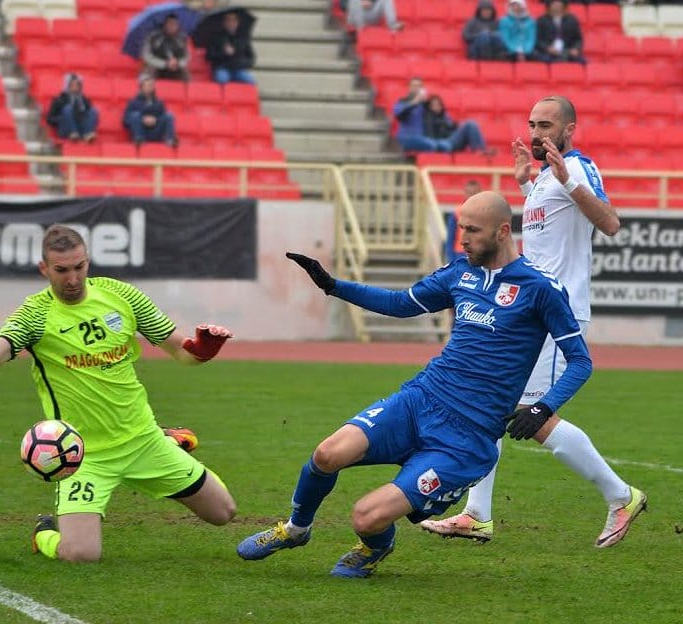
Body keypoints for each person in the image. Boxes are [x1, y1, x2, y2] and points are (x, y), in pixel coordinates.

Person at [236, 191, 593, 578]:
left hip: (466, 439)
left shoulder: (540, 288)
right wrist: (334, 286)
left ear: (503, 231)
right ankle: (295, 529)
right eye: (461, 228)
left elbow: (580, 361)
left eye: (472, 230)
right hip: (421, 401)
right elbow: (400, 303)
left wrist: (543, 406)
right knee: (327, 454)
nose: (463, 238)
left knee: (365, 517)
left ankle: (376, 545)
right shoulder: (459, 273)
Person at [421, 96, 647, 548]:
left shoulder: (577, 168)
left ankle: (620, 495)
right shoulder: (544, 177)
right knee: (491, 404)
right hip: (525, 310)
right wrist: (529, 184)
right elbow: (551, 234)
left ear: (569, 131)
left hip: (553, 313)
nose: (537, 132)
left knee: (533, 417)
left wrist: (567, 180)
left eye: (547, 125)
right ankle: (477, 514)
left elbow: (610, 223)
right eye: (532, 124)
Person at [0, 224, 236, 562]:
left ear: (88, 261)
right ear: (44, 269)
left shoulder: (122, 296)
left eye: (79, 267)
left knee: (224, 512)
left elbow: (183, 353)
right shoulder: (35, 314)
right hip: (83, 456)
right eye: (61, 270)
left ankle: (169, 442)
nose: (72, 278)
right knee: (80, 554)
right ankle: (43, 533)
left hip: (143, 440)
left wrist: (206, 347)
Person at [393, 83, 492, 155]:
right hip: (437, 142)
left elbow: (451, 127)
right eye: (434, 104)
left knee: (471, 124)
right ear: (428, 106)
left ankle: (480, 151)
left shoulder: (445, 116)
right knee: (442, 145)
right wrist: (417, 100)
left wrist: (457, 126)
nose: (437, 106)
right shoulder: (424, 113)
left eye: (439, 104)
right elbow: (403, 113)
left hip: (450, 140)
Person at [123, 73, 179, 147]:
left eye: (151, 85)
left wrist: (155, 120)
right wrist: (142, 119)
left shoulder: (159, 103)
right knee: (134, 115)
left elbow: (163, 116)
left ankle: (170, 140)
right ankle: (139, 139)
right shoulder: (133, 102)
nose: (149, 87)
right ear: (141, 87)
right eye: (147, 85)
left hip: (156, 130)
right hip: (141, 130)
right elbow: (125, 120)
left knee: (169, 116)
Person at [205, 11, 256, 85]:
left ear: (238, 23)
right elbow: (209, 56)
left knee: (250, 81)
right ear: (224, 23)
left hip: (238, 69)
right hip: (222, 68)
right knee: (222, 80)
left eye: (234, 20)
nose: (231, 23)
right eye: (228, 20)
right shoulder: (216, 38)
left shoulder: (242, 38)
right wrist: (223, 53)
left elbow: (251, 58)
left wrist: (240, 61)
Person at [46, 73, 99, 142]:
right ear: (67, 85)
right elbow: (49, 119)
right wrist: (62, 119)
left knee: (93, 111)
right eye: (72, 85)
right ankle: (73, 133)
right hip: (66, 128)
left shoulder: (84, 100)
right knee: (68, 109)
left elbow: (89, 116)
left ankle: (87, 134)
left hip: (81, 127)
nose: (75, 87)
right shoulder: (59, 99)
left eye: (77, 85)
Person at [141, 13, 190, 82]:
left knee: (185, 73)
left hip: (175, 67)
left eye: (174, 24)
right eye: (169, 24)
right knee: (149, 71)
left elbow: (186, 57)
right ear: (164, 24)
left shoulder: (182, 38)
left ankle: (186, 91)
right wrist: (165, 64)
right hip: (157, 65)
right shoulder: (153, 37)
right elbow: (146, 56)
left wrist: (178, 63)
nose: (172, 27)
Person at [446, 180, 482, 263]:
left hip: (479, 255)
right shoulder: (456, 213)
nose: (472, 196)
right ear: (465, 193)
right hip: (460, 255)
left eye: (475, 193)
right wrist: (451, 260)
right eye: (469, 192)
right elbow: (450, 239)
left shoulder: (486, 213)